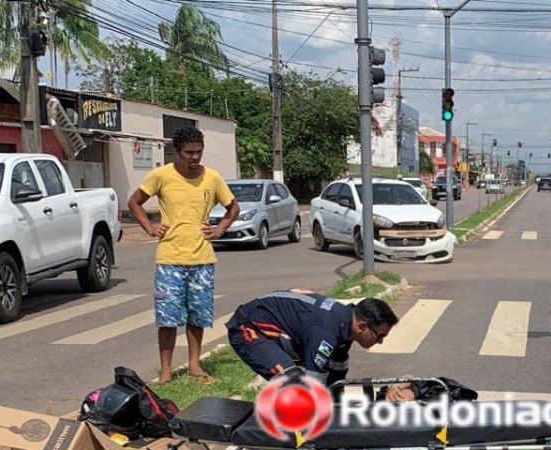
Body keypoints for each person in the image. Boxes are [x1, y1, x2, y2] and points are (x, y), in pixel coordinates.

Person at [127, 126, 239, 385]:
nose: (195, 157)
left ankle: (194, 364)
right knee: (167, 318)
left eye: (199, 152)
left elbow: (233, 208)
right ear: (177, 152)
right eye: (189, 152)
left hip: (202, 260)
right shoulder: (161, 176)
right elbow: (134, 202)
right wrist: (150, 227)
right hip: (169, 260)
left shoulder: (212, 178)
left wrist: (219, 229)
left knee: (197, 316)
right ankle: (166, 370)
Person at [227, 292, 399, 386]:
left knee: (331, 370)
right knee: (295, 382)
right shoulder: (327, 333)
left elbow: (337, 375)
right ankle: (293, 434)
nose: (380, 341)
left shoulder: (346, 321)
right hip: (247, 328)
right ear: (362, 326)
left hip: (279, 328)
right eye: (379, 335)